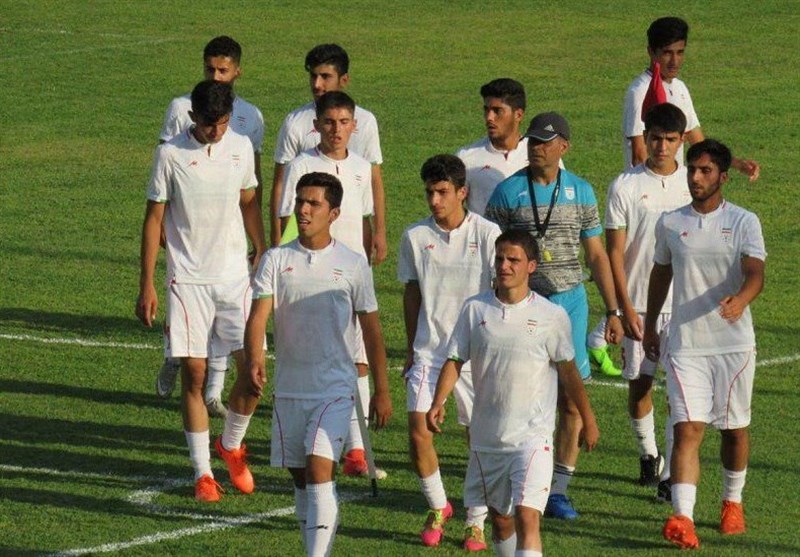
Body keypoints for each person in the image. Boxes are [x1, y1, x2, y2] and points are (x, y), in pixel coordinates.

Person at [245, 171, 393, 556]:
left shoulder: (353, 264)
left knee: (318, 468)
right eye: (300, 201)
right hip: (290, 389)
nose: (304, 210)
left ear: (334, 213)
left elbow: (372, 331)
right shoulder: (276, 259)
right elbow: (258, 316)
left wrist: (382, 390)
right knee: (301, 479)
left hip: (335, 389)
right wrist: (255, 358)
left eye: (314, 203)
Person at [485, 112, 624, 520]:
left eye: (545, 142)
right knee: (516, 393)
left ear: (564, 146)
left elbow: (596, 255)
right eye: (532, 141)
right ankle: (517, 474)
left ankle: (558, 490)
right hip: (523, 303)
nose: (536, 148)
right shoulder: (508, 192)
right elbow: (491, 251)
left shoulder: (580, 191)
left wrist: (612, 311)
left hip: (568, 304)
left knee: (571, 398)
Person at [427, 230, 599, 557]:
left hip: (532, 437)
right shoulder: (475, 309)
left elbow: (569, 372)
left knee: (527, 516)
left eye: (513, 260)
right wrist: (438, 401)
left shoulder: (551, 316)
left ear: (531, 266)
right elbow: (455, 359)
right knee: (502, 521)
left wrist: (588, 419)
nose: (504, 266)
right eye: (500, 258)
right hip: (487, 438)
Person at [136, 80, 267, 502]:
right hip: (187, 280)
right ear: (193, 117)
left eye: (223, 122)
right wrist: (147, 283)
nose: (216, 130)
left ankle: (231, 445)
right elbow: (154, 218)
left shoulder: (240, 147)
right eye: (209, 123)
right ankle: (203, 473)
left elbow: (249, 200)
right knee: (194, 374)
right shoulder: (170, 154)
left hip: (234, 278)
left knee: (253, 375)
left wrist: (261, 246)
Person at [643, 139, 765, 550]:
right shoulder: (671, 222)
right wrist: (650, 325)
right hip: (686, 346)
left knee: (734, 430)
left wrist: (741, 300)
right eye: (692, 170)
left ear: (723, 177)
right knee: (687, 428)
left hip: (733, 346)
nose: (695, 177)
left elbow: (755, 273)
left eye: (705, 171)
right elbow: (661, 273)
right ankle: (683, 517)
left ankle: (732, 502)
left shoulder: (744, 221)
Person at [155, 35, 265, 419]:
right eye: (210, 69)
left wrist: (258, 240)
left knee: (229, 331)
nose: (216, 76)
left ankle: (215, 394)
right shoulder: (179, 110)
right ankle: (174, 356)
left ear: (237, 72)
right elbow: (168, 172)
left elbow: (250, 185)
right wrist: (163, 226)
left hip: (227, 246)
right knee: (193, 342)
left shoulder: (250, 119)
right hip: (189, 244)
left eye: (223, 70)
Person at [277, 90, 386, 479]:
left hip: (352, 273)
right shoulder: (302, 165)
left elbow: (365, 215)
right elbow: (289, 219)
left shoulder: (361, 167)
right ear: (316, 126)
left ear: (354, 125)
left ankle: (356, 449)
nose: (336, 130)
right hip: (314, 274)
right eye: (329, 122)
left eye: (343, 123)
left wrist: (375, 240)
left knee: (359, 358)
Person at [398, 154, 500, 550]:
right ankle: (439, 506)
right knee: (418, 430)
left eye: (442, 192)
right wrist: (411, 347)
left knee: (479, 440)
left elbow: (500, 291)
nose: (434, 201)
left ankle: (476, 521)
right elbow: (411, 293)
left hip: (475, 355)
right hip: (430, 351)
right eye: (429, 193)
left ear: (462, 192)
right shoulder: (414, 237)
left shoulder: (488, 234)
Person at [605, 103, 692, 498]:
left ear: (681, 141)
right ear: (646, 137)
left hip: (684, 306)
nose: (662, 146)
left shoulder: (692, 183)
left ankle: (671, 474)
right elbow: (614, 253)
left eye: (670, 140)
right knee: (640, 386)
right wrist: (623, 308)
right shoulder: (624, 186)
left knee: (679, 392)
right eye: (655, 138)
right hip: (638, 304)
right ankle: (648, 454)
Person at [270, 43, 386, 266]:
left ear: (344, 79)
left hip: (351, 241)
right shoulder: (295, 123)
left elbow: (373, 180)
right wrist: (278, 241)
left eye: (325, 76)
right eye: (313, 76)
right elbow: (281, 184)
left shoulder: (366, 121)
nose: (317, 84)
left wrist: (379, 231)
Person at [622, 17, 760, 178]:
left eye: (680, 52)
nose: (675, 61)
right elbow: (640, 154)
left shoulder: (679, 88)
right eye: (667, 53)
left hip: (674, 185)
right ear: (651, 52)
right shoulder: (640, 91)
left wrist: (737, 164)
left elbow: (698, 142)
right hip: (649, 188)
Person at [456, 78, 528, 216]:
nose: (489, 117)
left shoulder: (540, 153)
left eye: (497, 111)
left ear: (518, 115)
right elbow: (452, 210)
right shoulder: (466, 157)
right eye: (486, 110)